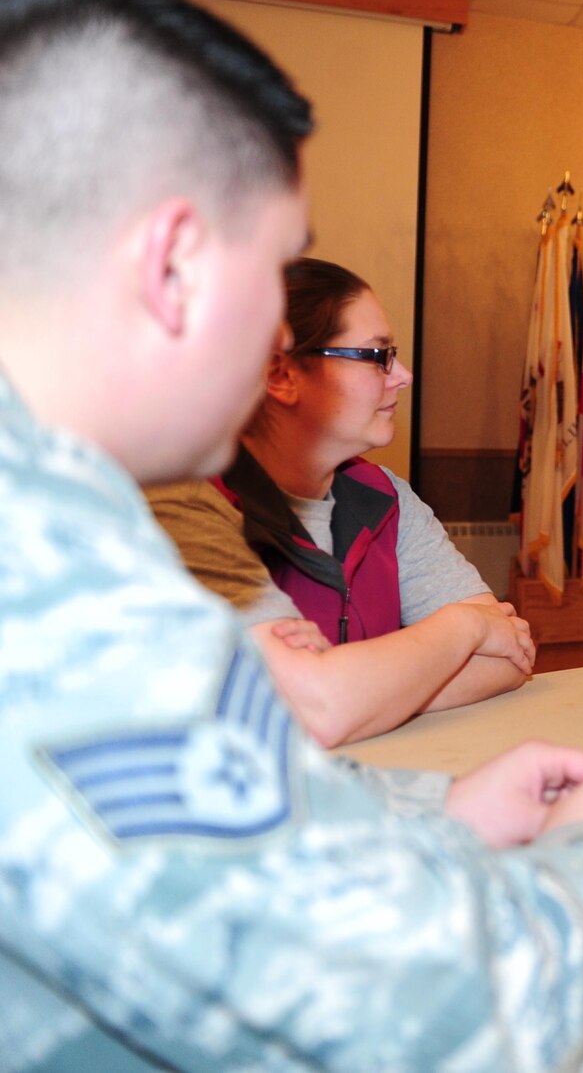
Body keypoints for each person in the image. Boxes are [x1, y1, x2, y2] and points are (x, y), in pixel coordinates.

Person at [0, 0, 583, 1069]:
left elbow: (231, 800)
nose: (278, 340)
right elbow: (439, 1017)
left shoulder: (59, 504)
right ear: (170, 265)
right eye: (270, 273)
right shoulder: (50, 582)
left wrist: (431, 808)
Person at [149, 257, 532, 746]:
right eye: (376, 356)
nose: (403, 376)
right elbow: (315, 708)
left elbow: (508, 658)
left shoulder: (385, 496)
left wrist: (353, 689)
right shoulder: (191, 507)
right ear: (281, 375)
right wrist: (462, 628)